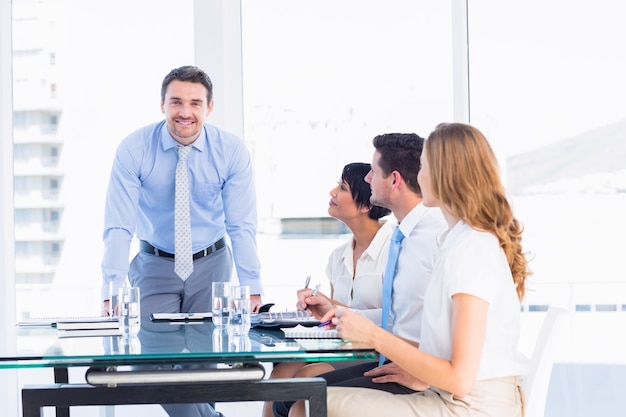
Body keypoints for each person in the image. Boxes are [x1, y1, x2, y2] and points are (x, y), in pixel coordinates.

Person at [319, 123, 531, 417]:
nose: (417, 177)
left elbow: (459, 378)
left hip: (472, 406)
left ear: (444, 176)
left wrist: (373, 336)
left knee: (312, 404)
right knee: (310, 400)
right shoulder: (456, 239)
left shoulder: (470, 247)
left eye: (424, 168)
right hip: (445, 394)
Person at [101, 65, 264, 417]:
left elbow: (241, 225)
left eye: (194, 103)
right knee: (148, 367)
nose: (185, 112)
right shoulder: (134, 149)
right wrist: (112, 286)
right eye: (176, 102)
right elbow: (119, 225)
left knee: (207, 368)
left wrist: (251, 285)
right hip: (154, 265)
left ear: (209, 107)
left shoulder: (231, 151)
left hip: (212, 267)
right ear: (162, 105)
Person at [273, 133, 447, 417]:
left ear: (394, 180)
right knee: (286, 396)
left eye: (373, 173)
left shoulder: (435, 235)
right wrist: (337, 311)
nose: (367, 180)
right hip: (396, 359)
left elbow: (453, 321)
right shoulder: (406, 235)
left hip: (419, 367)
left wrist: (425, 371)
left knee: (302, 402)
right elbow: (398, 315)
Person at [261, 162, 392, 417]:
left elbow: (397, 315)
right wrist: (323, 306)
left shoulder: (394, 248)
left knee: (308, 376)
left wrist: (334, 309)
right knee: (280, 373)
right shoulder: (338, 256)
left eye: (342, 187)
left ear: (366, 205)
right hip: (344, 346)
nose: (332, 192)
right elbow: (339, 314)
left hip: (379, 350)